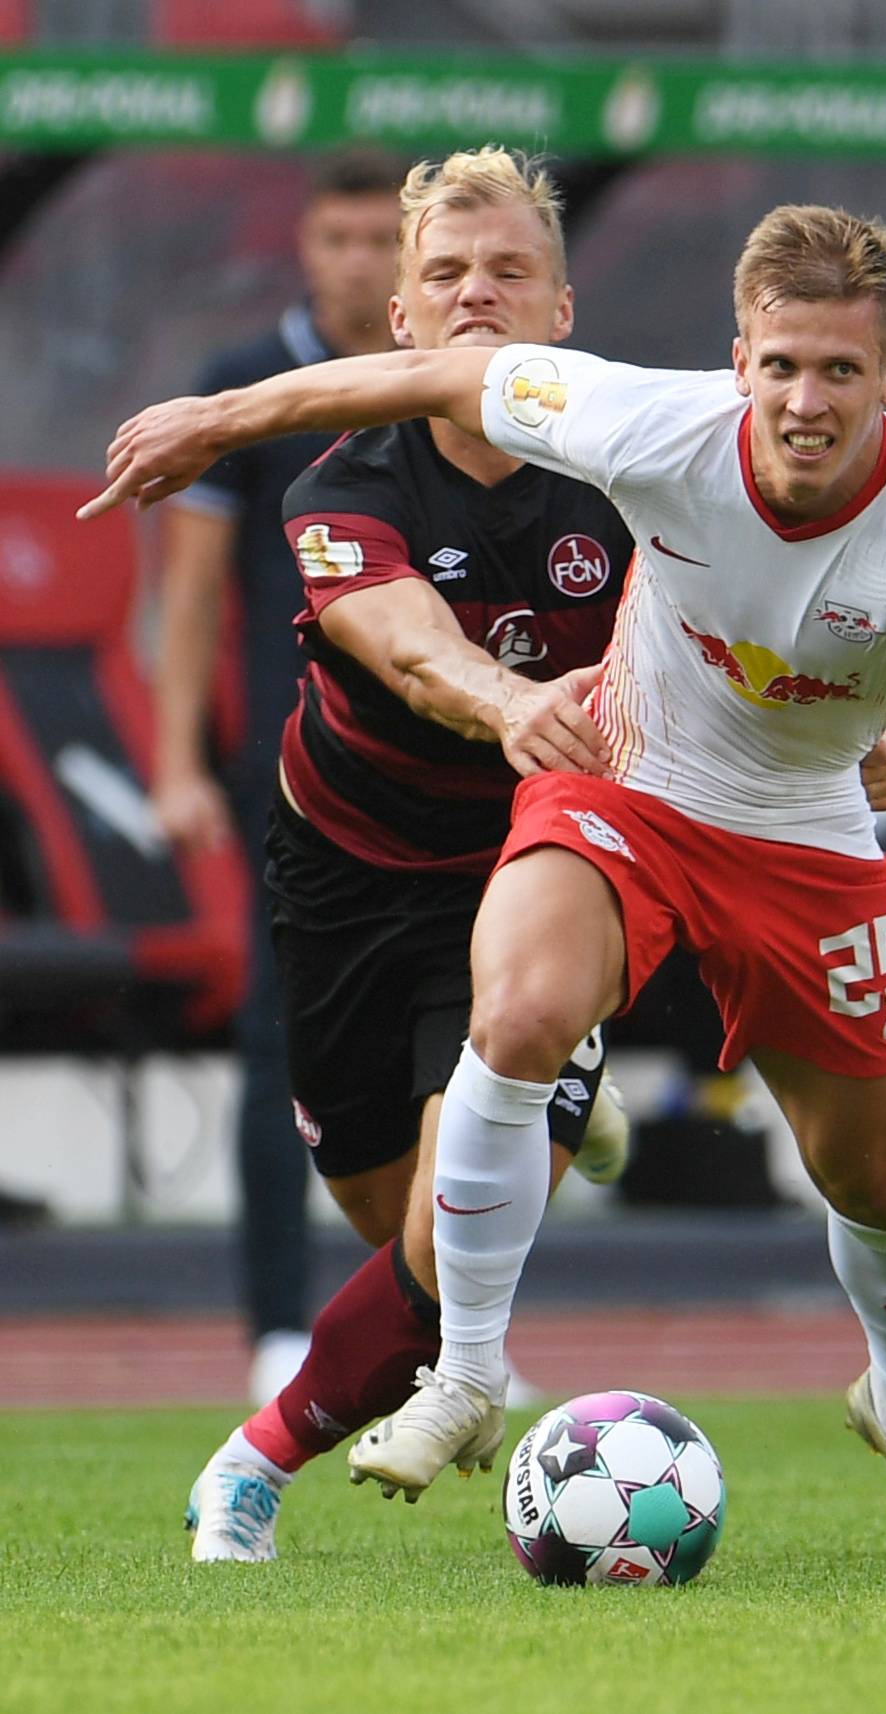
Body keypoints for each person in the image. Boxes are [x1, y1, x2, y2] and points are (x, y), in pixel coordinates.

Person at [80, 196, 886, 1563]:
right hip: (624, 786)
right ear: (738, 355)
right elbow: (431, 375)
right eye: (780, 364)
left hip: (806, 837)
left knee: (872, 1172)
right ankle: (468, 1368)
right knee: (514, 1020)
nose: (805, 401)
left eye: (839, 370)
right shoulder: (645, 421)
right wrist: (215, 420)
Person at [151, 149, 405, 1403]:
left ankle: (446, 1319)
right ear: (306, 247)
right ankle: (274, 1322)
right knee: (281, 1043)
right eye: (339, 238)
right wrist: (172, 759)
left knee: (456, 1045)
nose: (359, 260)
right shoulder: (236, 389)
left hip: (434, 767)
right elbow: (189, 595)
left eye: (379, 239)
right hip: (288, 771)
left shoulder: (440, 389)